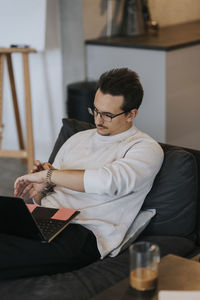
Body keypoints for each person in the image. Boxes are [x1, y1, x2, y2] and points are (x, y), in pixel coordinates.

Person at [2, 68, 163, 279]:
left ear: (132, 114)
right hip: (44, 219)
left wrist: (49, 176)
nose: (98, 120)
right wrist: (42, 191)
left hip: (83, 233)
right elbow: (44, 195)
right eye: (95, 111)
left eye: (108, 115)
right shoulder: (78, 139)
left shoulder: (145, 148)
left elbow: (108, 182)